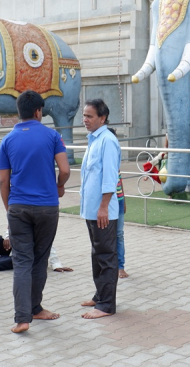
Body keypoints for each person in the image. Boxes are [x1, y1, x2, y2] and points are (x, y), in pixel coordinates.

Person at [0, 91, 71, 332]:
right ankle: (36, 308)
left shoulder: (7, 140)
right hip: (47, 207)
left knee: (21, 262)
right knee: (40, 259)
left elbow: (3, 181)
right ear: (39, 111)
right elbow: (66, 169)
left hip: (18, 206)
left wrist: (10, 209)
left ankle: (22, 318)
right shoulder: (52, 136)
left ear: (19, 111)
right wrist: (59, 186)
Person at [79, 99, 121, 320]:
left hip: (102, 211)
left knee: (105, 256)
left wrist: (104, 206)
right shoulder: (94, 140)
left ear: (102, 118)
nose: (84, 120)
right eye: (84, 115)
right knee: (97, 254)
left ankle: (106, 305)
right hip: (92, 210)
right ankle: (100, 295)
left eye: (89, 116)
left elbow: (110, 178)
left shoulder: (108, 141)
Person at [0, 230, 73, 273]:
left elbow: (48, 244)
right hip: (13, 246)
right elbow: (10, 226)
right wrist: (7, 237)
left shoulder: (39, 217)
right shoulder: (19, 207)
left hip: (25, 255)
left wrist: (56, 264)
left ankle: (23, 263)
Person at [115, 174, 128, 279]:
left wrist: (123, 200)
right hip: (106, 200)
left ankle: (120, 266)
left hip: (119, 200)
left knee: (119, 234)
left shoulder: (116, 161)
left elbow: (120, 181)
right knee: (106, 235)